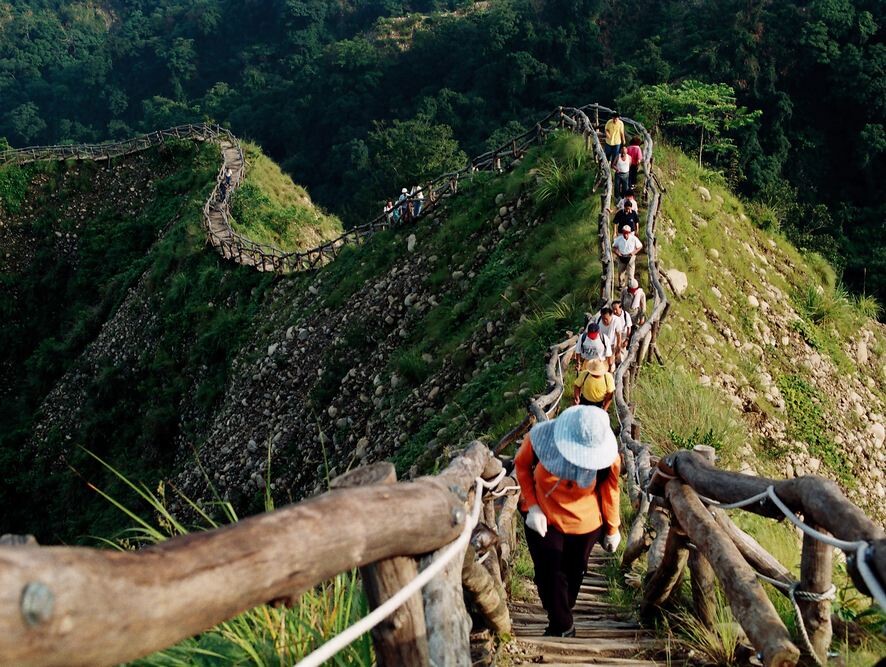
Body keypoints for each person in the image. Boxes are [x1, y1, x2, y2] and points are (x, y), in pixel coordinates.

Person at [515, 406, 622, 637]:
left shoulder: (609, 459)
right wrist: (533, 507)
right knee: (550, 569)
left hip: (586, 523)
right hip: (544, 516)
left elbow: (611, 490)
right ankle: (562, 626)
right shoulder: (540, 439)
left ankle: (560, 609)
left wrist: (612, 529)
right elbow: (522, 466)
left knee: (574, 572)